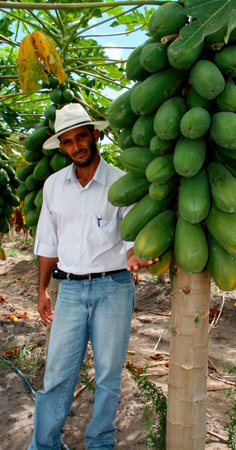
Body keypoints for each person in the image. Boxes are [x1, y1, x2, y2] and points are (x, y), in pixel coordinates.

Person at [28, 103, 157, 449]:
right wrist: (42, 290)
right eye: (68, 142)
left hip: (113, 287)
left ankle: (100, 441)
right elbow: (47, 243)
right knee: (56, 375)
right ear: (62, 146)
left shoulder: (121, 183)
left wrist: (135, 254)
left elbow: (131, 235)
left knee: (108, 376)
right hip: (68, 289)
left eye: (81, 137)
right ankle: (44, 443)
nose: (76, 147)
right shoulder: (54, 186)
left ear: (94, 135)